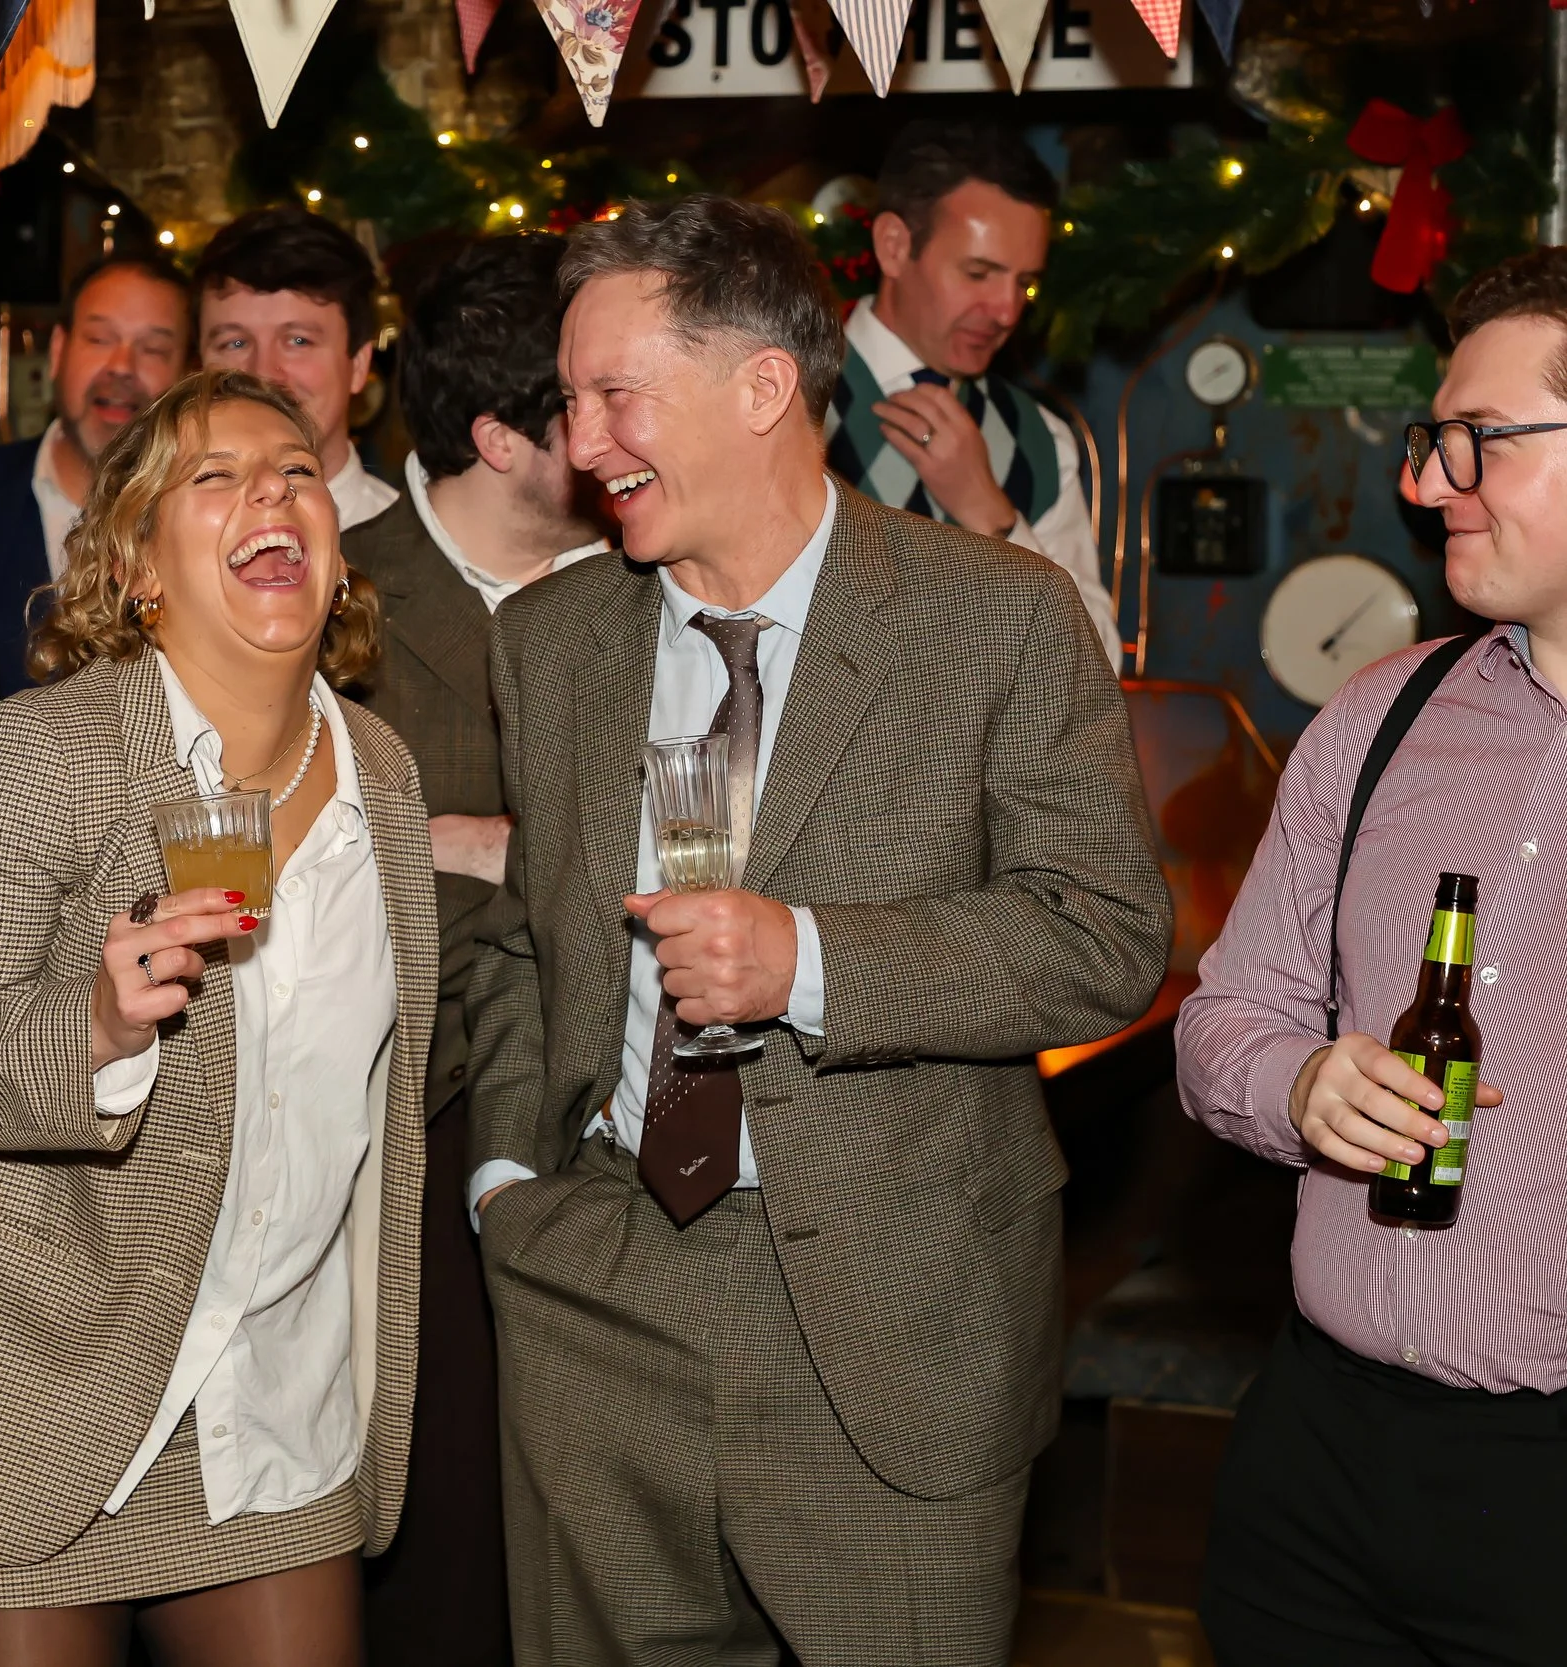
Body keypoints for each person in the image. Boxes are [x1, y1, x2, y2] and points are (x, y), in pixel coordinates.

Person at [467, 195, 1170, 1666]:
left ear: (762, 387)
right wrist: (509, 1176)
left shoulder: (996, 619)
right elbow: (533, 938)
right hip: (597, 1279)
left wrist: (813, 961)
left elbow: (1103, 935)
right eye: (572, 398)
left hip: (889, 1315)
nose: (582, 441)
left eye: (615, 395)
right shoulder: (551, 638)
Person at [0, 368, 434, 1666]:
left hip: (271, 1396)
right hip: (21, 1387)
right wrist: (92, 1028)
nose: (272, 490)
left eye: (298, 471)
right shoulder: (42, 755)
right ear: (138, 565)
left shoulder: (382, 772)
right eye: (216, 476)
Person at [1176, 248, 1567, 1667]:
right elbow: (1225, 1019)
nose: (1426, 482)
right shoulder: (1382, 713)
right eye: (1430, 442)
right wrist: (1298, 1084)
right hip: (1315, 1457)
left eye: (1480, 444)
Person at [339, 230, 606, 1667]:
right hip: (406, 1133)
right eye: (594, 404)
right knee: (439, 1542)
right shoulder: (334, 601)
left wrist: (499, 842)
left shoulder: (645, 588)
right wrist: (431, 837)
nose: (629, 433)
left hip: (625, 1127)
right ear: (504, 434)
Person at [824, 120, 1120, 667]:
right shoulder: (781, 399)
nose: (1008, 311)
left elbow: (1099, 663)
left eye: (1025, 282)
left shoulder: (1040, 441)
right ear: (893, 246)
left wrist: (993, 517)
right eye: (979, 272)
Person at [0, 251, 191, 693]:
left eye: (154, 348)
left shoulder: (209, 524)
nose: (122, 366)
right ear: (59, 350)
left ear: (186, 374)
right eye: (100, 339)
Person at [197, 207, 399, 531]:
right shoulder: (151, 547)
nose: (263, 373)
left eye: (298, 341)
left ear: (359, 365)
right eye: (235, 343)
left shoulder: (413, 557)